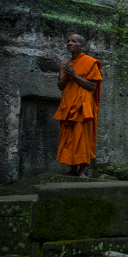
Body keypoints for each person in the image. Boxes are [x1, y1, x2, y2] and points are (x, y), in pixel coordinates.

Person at [53, 34, 102, 178]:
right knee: (69, 137)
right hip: (68, 105)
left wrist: (74, 74)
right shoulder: (63, 64)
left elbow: (92, 86)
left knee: (83, 137)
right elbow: (61, 86)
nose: (70, 43)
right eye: (68, 41)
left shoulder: (90, 62)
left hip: (83, 108)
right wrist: (68, 75)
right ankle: (72, 169)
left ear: (82, 46)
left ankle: (82, 171)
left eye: (74, 41)